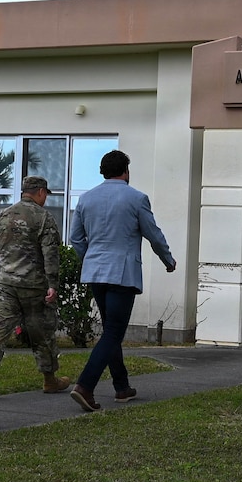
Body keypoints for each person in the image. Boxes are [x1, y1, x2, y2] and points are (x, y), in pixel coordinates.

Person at [66, 148, 175, 412]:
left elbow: (76, 239)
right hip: (122, 273)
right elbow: (153, 234)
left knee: (110, 331)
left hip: (95, 273)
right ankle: (85, 386)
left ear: (103, 171)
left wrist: (90, 258)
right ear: (125, 171)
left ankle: (122, 387)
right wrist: (168, 260)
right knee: (114, 332)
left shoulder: (86, 199)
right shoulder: (136, 198)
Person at [0, 175, 72, 399]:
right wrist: (53, 284)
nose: (46, 198)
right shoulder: (44, 218)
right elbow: (51, 255)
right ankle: (50, 380)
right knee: (42, 332)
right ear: (40, 192)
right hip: (34, 286)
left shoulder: (3, 215)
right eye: (46, 194)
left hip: (6, 283)